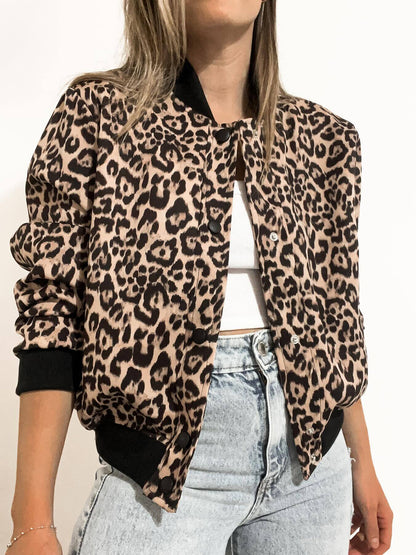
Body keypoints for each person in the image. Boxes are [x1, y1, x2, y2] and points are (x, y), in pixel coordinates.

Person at [7, 1, 393, 554]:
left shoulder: (322, 138)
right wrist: (31, 520)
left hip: (310, 471)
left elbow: (335, 319)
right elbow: (53, 312)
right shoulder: (99, 115)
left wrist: (363, 463)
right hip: (162, 470)